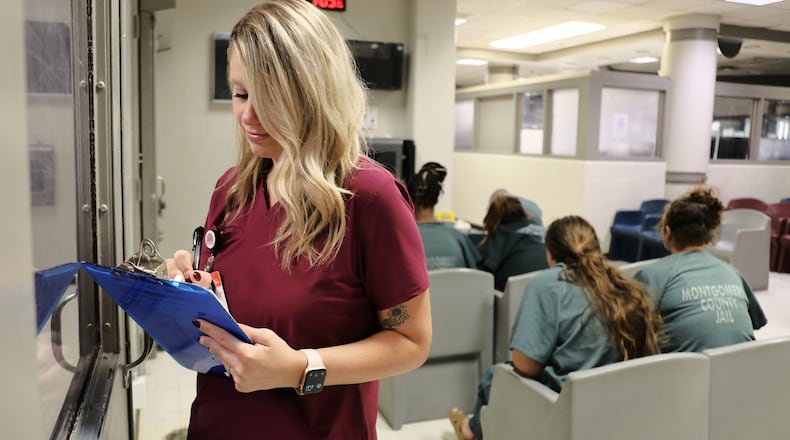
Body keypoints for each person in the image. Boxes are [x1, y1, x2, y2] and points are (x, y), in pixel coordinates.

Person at [164, 1, 432, 438]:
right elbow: (238, 311)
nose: (248, 117)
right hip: (219, 423)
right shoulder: (231, 190)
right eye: (240, 94)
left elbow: (411, 342)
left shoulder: (369, 198)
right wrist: (189, 295)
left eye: (267, 98)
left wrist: (300, 368)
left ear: (311, 94)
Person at [448, 215, 663, 440]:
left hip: (564, 408)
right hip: (622, 404)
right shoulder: (626, 284)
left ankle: (471, 430)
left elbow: (525, 365)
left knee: (494, 378)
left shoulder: (547, 284)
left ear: (550, 254)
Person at [634, 187, 767, 353]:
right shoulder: (732, 272)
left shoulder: (651, 275)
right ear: (710, 235)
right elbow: (754, 323)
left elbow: (630, 331)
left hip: (685, 375)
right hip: (743, 370)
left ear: (667, 232)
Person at [406, 162, 480, 269]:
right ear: (436, 198)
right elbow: (476, 276)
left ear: (408, 198)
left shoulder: (401, 239)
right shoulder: (457, 237)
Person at [478, 194, 549, 291]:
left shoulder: (497, 239)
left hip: (507, 300)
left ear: (492, 219)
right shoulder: (540, 238)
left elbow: (480, 276)